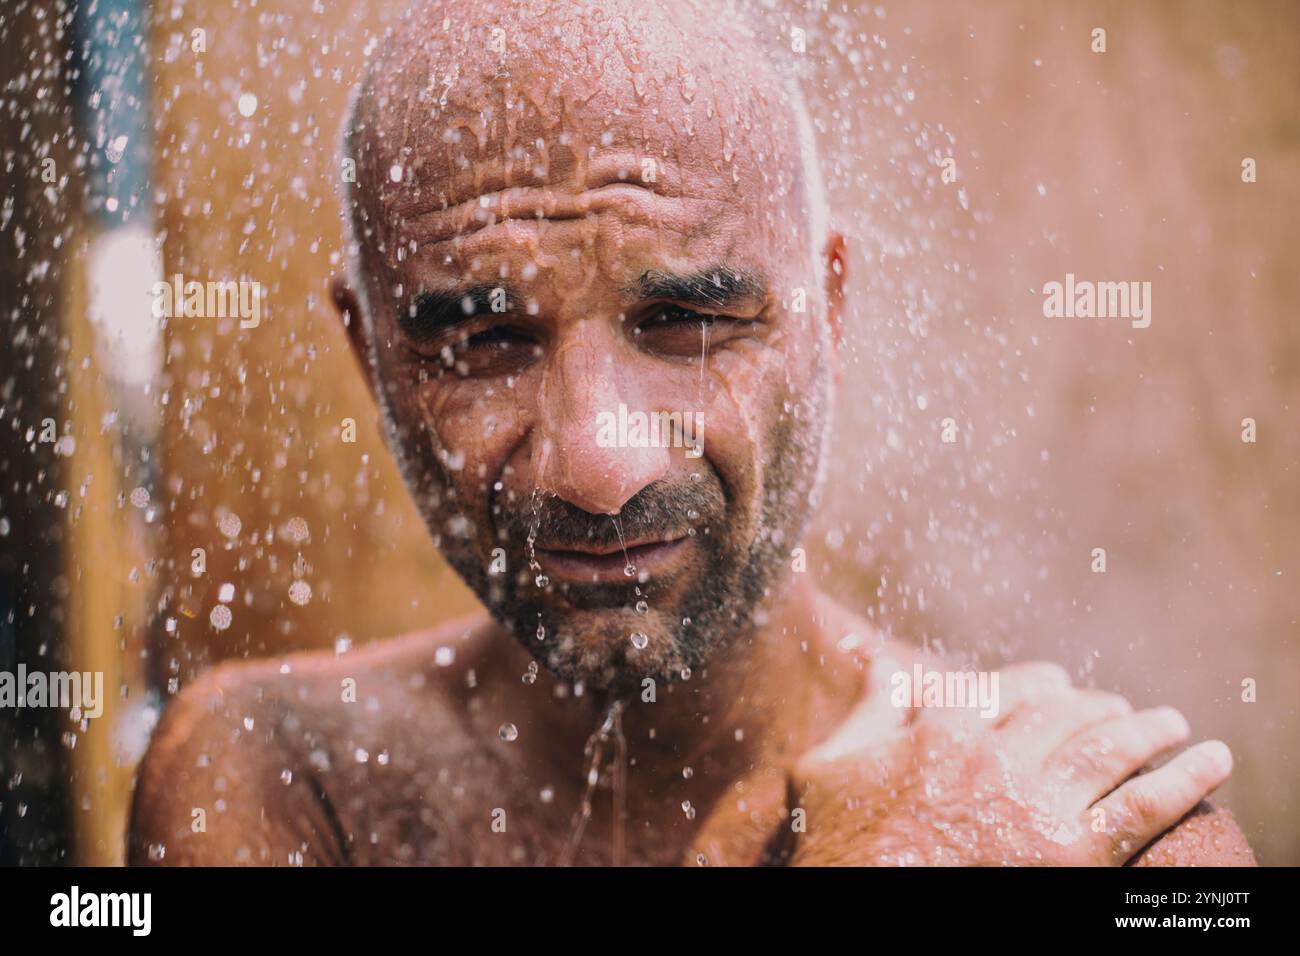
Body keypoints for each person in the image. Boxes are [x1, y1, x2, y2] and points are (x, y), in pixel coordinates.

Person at [128, 0, 1255, 866]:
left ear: (828, 309)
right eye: (484, 342)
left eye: (687, 321)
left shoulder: (1098, 819)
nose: (597, 466)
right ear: (372, 356)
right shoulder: (276, 775)